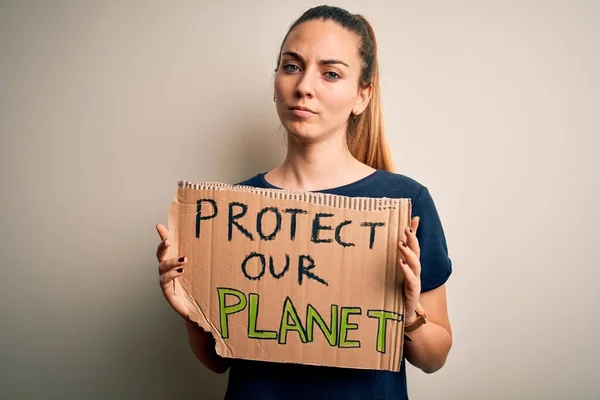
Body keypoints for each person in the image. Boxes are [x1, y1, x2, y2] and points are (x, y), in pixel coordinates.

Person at [155, 5, 452, 400]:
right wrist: (191, 312)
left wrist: (410, 313)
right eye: (291, 66)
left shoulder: (405, 203)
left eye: (330, 73)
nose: (304, 86)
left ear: (362, 95)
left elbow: (434, 358)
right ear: (276, 79)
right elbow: (218, 360)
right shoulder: (228, 211)